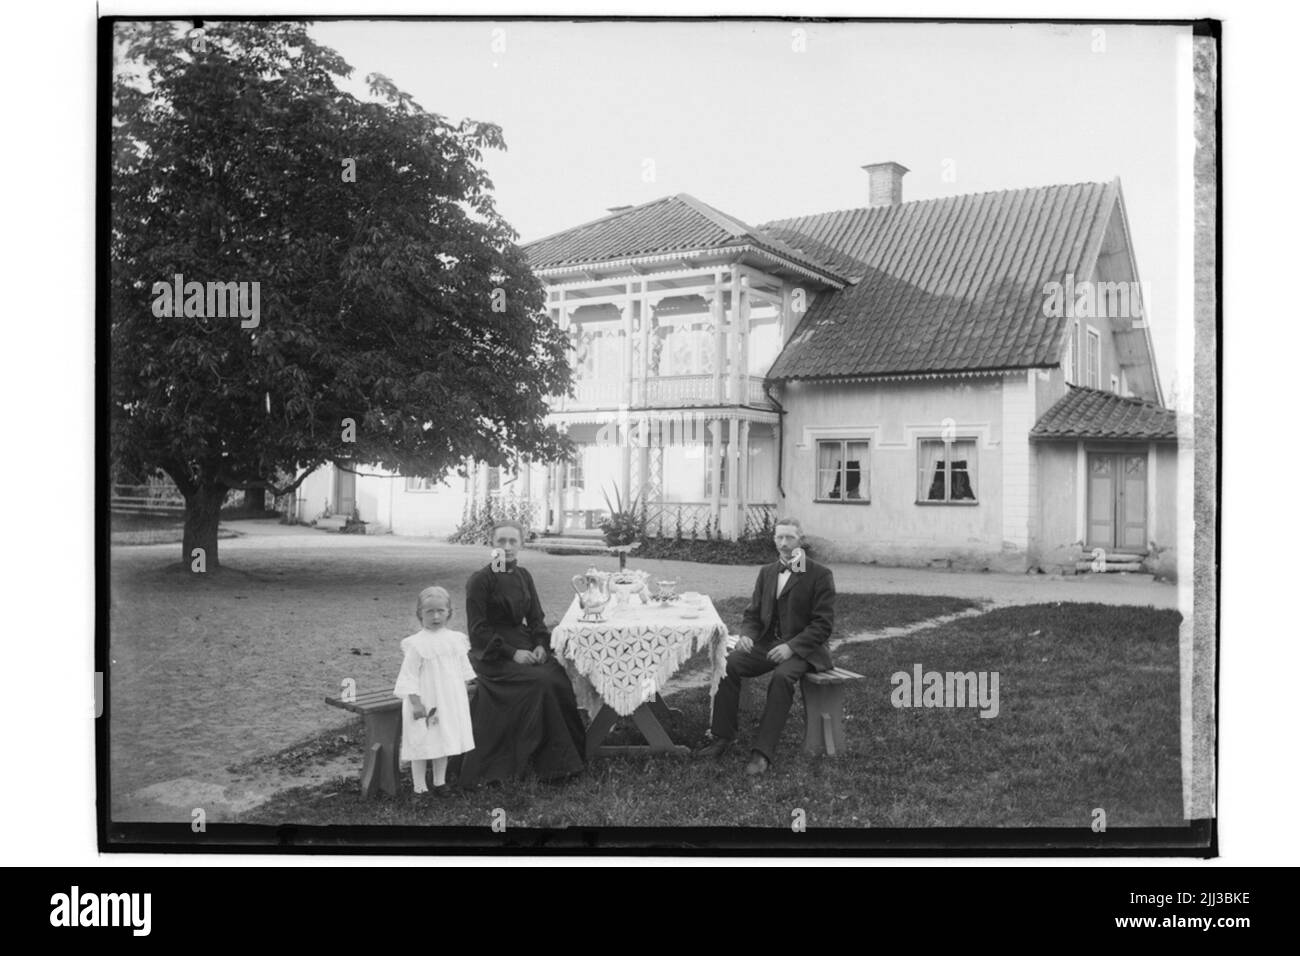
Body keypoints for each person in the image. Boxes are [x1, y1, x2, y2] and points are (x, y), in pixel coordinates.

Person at [695, 517, 835, 775]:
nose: (783, 543)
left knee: (781, 678)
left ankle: (762, 752)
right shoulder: (767, 572)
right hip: (768, 644)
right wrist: (748, 635)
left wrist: (792, 647)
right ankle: (722, 736)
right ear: (774, 539)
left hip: (805, 650)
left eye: (789, 538)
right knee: (729, 664)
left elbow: (823, 625)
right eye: (779, 537)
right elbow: (753, 614)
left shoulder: (819, 574)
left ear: (800, 540)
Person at [457, 520, 587, 787]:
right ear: (491, 545)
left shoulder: (524, 576)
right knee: (540, 682)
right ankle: (551, 766)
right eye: (500, 541)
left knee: (556, 675)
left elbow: (537, 618)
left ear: (521, 544)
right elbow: (477, 630)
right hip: (492, 654)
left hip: (525, 644)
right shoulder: (480, 581)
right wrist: (512, 653)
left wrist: (540, 643)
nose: (506, 547)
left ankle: (566, 761)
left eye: (512, 541)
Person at [393, 586, 476, 796]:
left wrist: (463, 694)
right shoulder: (416, 644)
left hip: (449, 701)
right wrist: (415, 702)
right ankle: (419, 787)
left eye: (441, 611)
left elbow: (464, 671)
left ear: (449, 612)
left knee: (443, 740)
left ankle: (439, 782)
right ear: (420, 614)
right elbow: (408, 676)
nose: (436, 616)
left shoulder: (456, 640)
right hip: (425, 701)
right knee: (422, 743)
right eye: (429, 612)